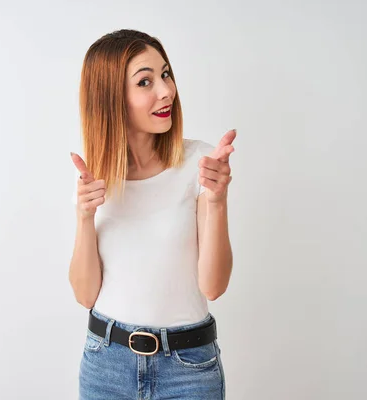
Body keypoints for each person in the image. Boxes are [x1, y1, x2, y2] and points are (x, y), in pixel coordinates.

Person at [69, 29, 235, 399]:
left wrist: (218, 200)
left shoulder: (198, 163)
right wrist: (84, 217)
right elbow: (84, 294)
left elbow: (214, 286)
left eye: (165, 74)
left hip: (188, 370)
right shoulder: (94, 176)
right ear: (111, 98)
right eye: (145, 81)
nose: (166, 91)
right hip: (106, 365)